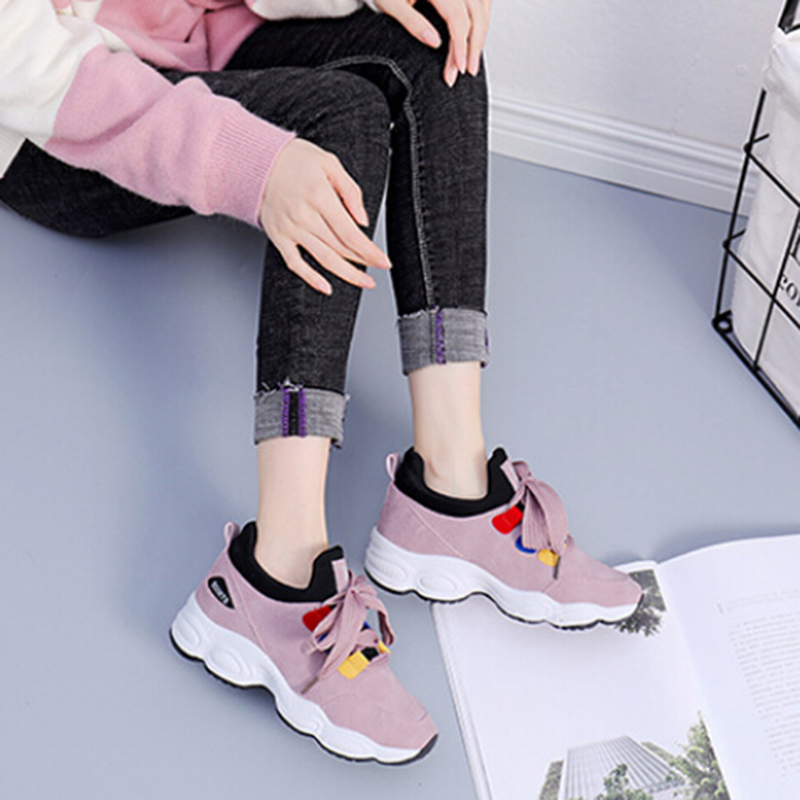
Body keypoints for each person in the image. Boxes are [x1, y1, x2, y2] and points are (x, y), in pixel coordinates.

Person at [0, 0, 642, 765]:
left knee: (437, 45)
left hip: (199, 47)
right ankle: (278, 572)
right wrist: (250, 163)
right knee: (342, 121)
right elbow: (27, 64)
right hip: (54, 114)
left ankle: (452, 486)